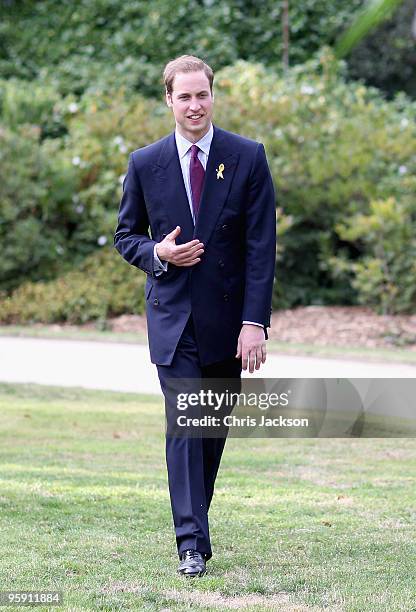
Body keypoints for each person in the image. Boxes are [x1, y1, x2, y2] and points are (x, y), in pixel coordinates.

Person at [114, 55, 276, 577]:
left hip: (230, 325)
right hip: (172, 319)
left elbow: (261, 248)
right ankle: (191, 543)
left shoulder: (247, 157)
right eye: (183, 96)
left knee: (209, 432)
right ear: (169, 100)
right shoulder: (145, 163)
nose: (193, 105)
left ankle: (194, 526)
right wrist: (158, 253)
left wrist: (255, 323)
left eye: (201, 94)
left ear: (213, 95)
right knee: (186, 425)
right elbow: (126, 236)